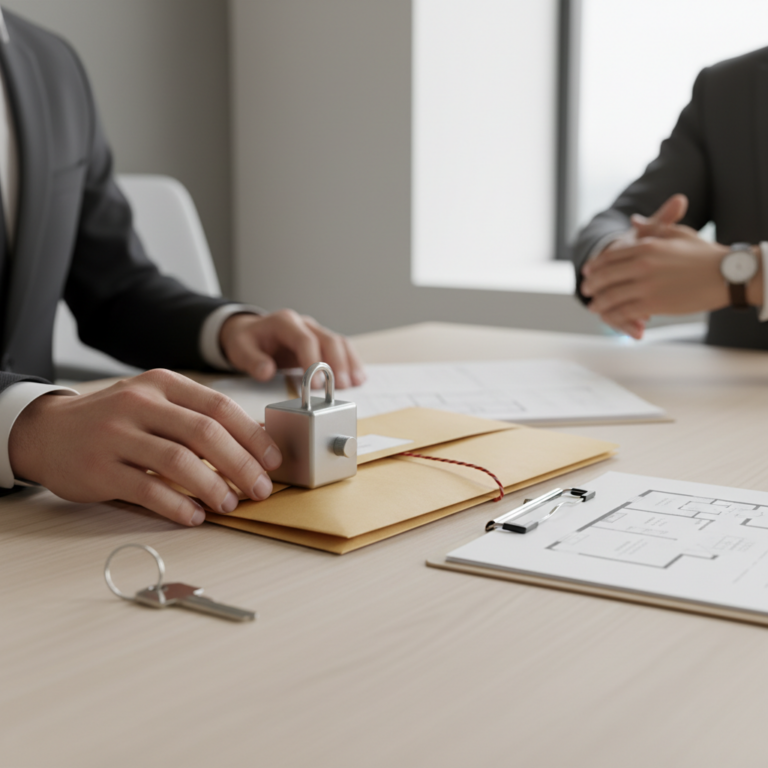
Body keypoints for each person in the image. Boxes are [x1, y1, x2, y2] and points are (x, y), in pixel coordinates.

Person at [0, 8, 365, 526]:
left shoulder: (50, 62)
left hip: (50, 515)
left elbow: (114, 289)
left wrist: (228, 329)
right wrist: (24, 424)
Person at [573, 45, 768, 346]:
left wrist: (744, 274)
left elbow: (730, 274)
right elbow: (624, 216)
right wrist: (621, 257)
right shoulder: (729, 85)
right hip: (726, 384)